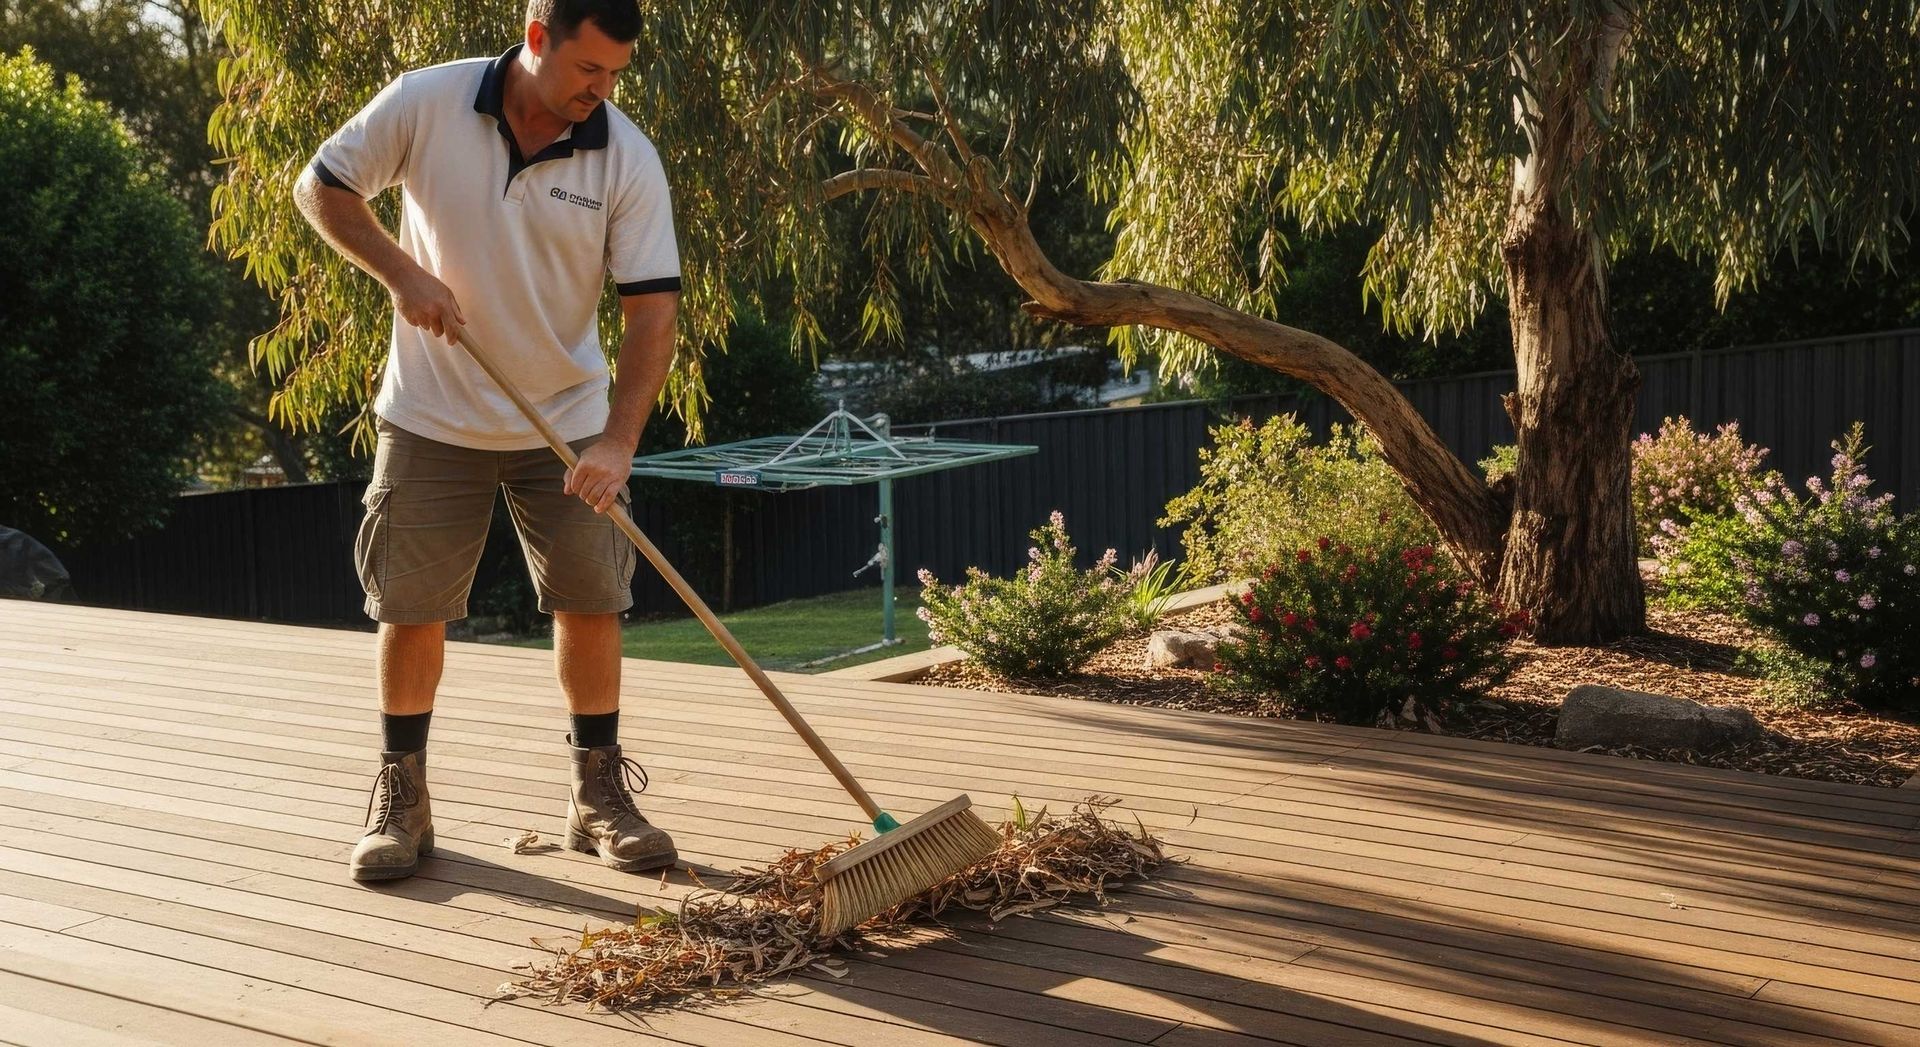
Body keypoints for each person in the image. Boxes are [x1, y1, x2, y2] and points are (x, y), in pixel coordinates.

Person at [292, 0, 682, 883]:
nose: (602, 91)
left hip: (568, 419)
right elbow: (321, 185)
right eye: (589, 69)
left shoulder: (626, 156)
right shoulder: (426, 101)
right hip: (433, 411)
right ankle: (404, 798)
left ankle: (597, 796)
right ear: (538, 38)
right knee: (411, 605)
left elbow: (653, 311)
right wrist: (401, 272)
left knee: (592, 597)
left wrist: (618, 442)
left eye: (616, 74)